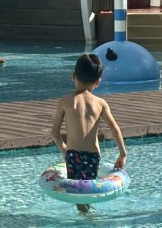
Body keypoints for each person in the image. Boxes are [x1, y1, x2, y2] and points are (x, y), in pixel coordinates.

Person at [50, 53, 128, 214]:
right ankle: (88, 214)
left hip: (73, 155)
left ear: (73, 76)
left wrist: (64, 149)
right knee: (88, 189)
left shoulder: (65, 101)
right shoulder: (100, 103)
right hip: (93, 156)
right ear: (98, 82)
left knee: (78, 193)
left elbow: (55, 132)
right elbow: (114, 128)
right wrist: (122, 154)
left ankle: (85, 216)